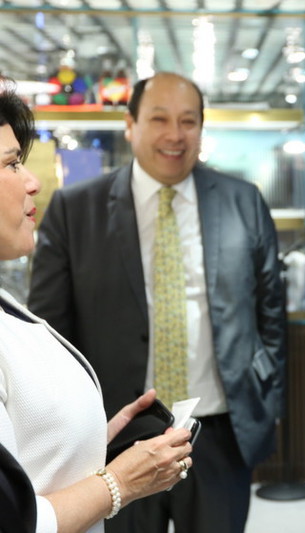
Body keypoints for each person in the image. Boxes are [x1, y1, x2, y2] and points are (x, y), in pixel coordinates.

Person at [28, 72, 286, 533]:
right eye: (159, 119)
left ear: (201, 128)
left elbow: (271, 313)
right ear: (130, 125)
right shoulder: (75, 209)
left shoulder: (243, 201)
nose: (175, 135)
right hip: (117, 438)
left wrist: (267, 401)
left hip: (218, 432)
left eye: (188, 121)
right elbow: (50, 333)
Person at [0, 84, 193, 533]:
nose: (33, 181)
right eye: (11, 164)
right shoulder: (78, 208)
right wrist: (118, 483)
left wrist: (87, 440)